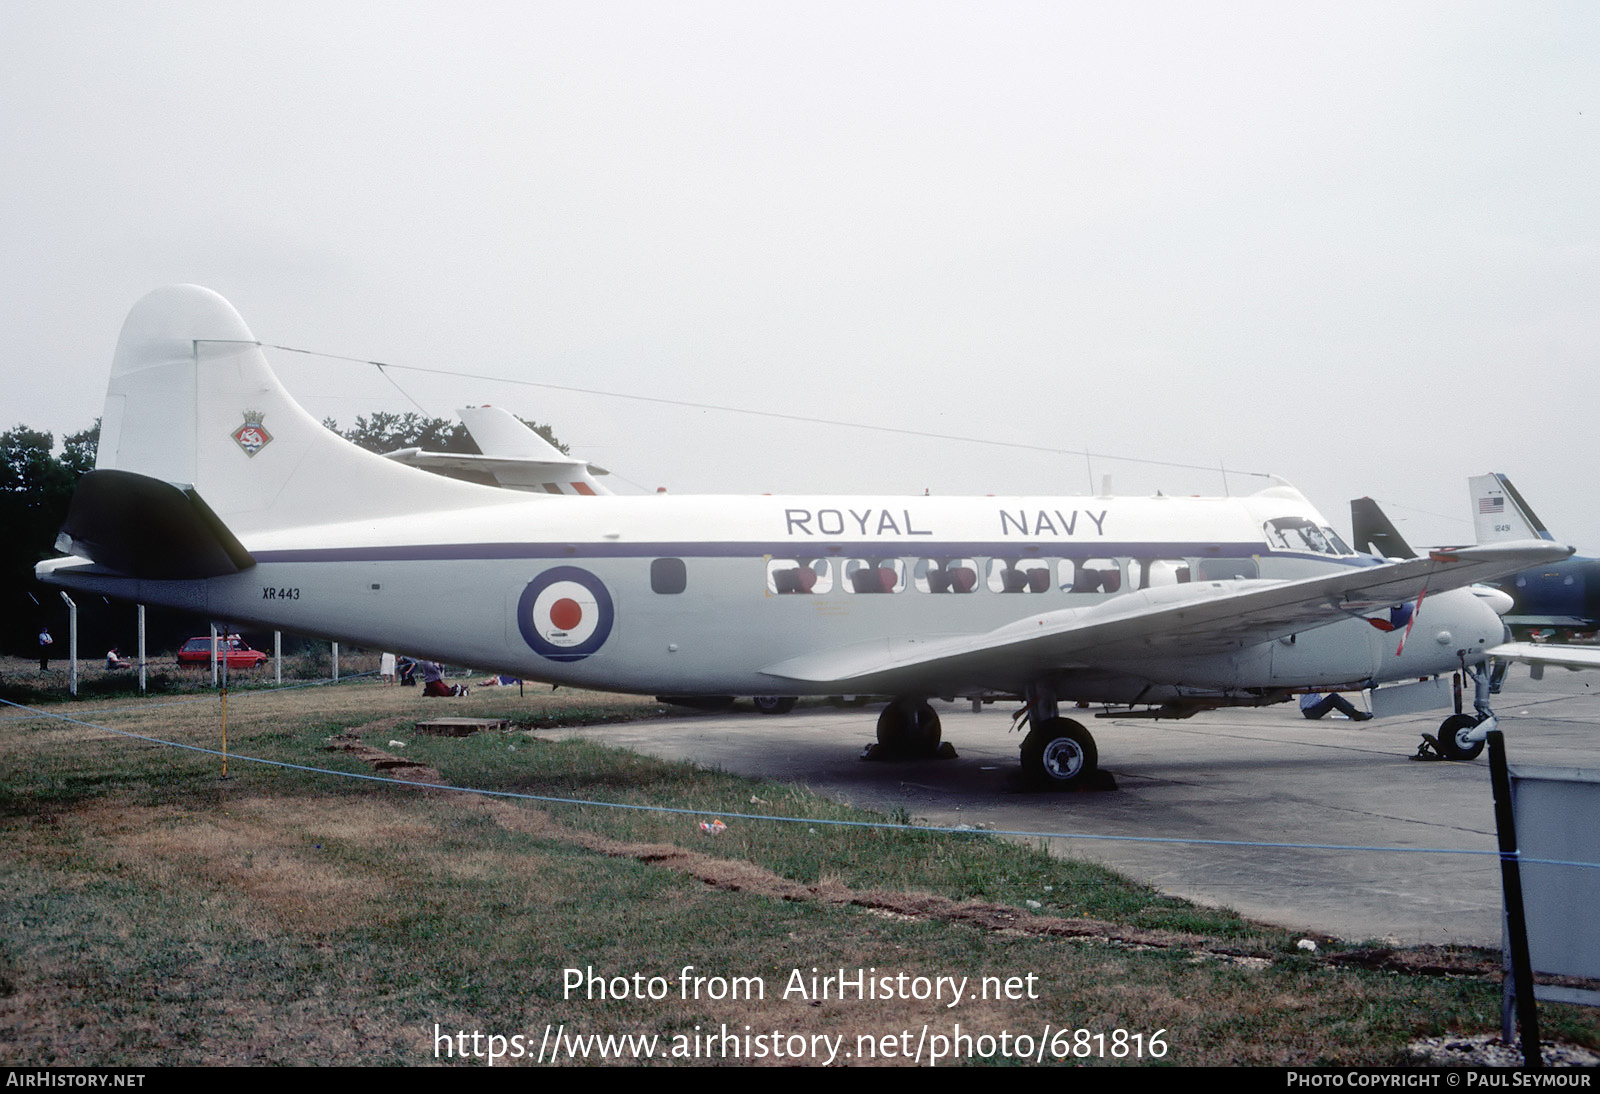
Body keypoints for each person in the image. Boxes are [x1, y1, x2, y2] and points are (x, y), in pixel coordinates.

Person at [1299, 692, 1372, 721]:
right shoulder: (1310, 681)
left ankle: (1354, 712)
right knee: (1334, 697)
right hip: (1311, 711)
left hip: (1310, 710)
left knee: (1333, 697)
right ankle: (1355, 714)